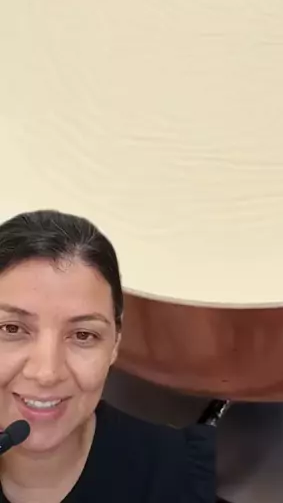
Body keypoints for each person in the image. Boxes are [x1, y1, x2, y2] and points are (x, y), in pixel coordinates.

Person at [0, 209, 216, 503]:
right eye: (12, 329)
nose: (46, 373)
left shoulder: (184, 478)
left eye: (83, 335)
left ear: (115, 343)